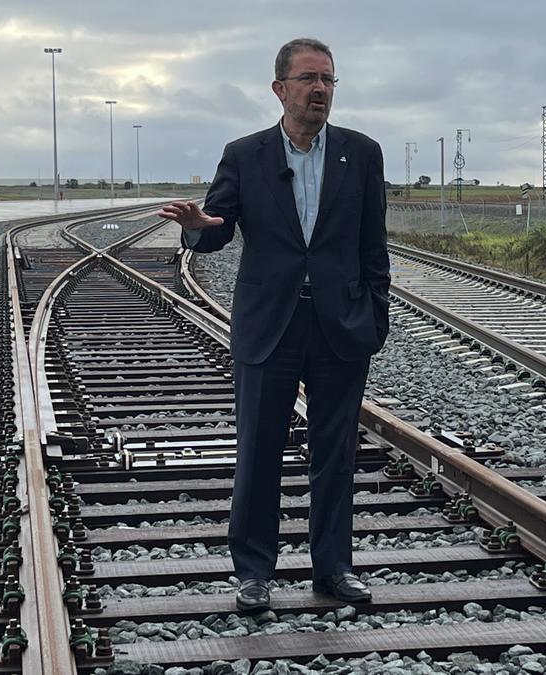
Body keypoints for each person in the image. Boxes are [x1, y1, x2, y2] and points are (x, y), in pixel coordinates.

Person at [158, 37, 390, 614]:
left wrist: (375, 316)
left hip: (340, 324)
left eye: (329, 80)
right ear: (280, 88)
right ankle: (253, 573)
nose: (320, 90)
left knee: (334, 453)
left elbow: (373, 245)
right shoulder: (245, 154)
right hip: (271, 325)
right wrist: (197, 224)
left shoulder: (362, 154)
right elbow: (217, 229)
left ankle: (334, 567)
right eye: (309, 78)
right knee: (259, 450)